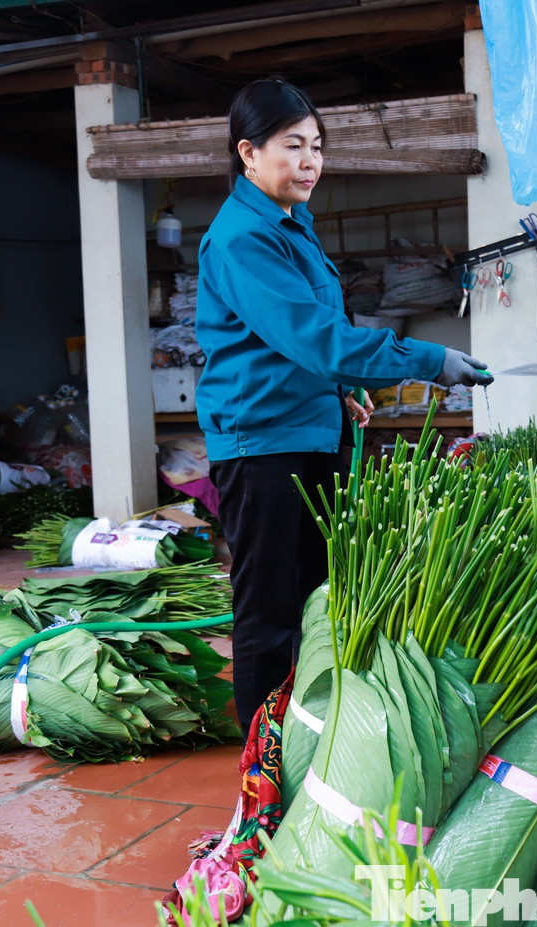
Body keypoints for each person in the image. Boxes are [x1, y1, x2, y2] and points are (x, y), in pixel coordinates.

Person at [195, 78, 493, 729]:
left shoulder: (290, 224)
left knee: (317, 603)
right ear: (248, 153)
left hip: (307, 434)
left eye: (318, 147)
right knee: (269, 617)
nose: (310, 162)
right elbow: (317, 338)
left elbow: (296, 343)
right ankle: (263, 777)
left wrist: (341, 391)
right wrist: (430, 361)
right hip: (262, 446)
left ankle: (311, 741)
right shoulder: (243, 237)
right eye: (292, 146)